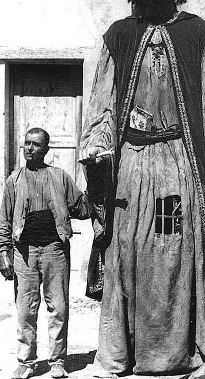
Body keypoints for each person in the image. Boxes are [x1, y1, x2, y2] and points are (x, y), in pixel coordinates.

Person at [79, 0, 205, 376]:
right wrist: (96, 148)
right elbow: (102, 105)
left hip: (178, 168)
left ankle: (179, 353)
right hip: (130, 168)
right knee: (125, 253)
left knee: (175, 254)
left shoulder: (198, 34)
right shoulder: (118, 35)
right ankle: (119, 355)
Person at [0, 128, 93, 379]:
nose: (29, 148)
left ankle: (57, 361)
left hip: (55, 250)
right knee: (26, 309)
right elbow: (4, 221)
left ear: (46, 149)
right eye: (27, 144)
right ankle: (26, 362)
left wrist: (96, 178)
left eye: (36, 144)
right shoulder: (14, 180)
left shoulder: (60, 177)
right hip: (24, 252)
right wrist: (3, 253)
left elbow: (81, 208)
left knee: (59, 308)